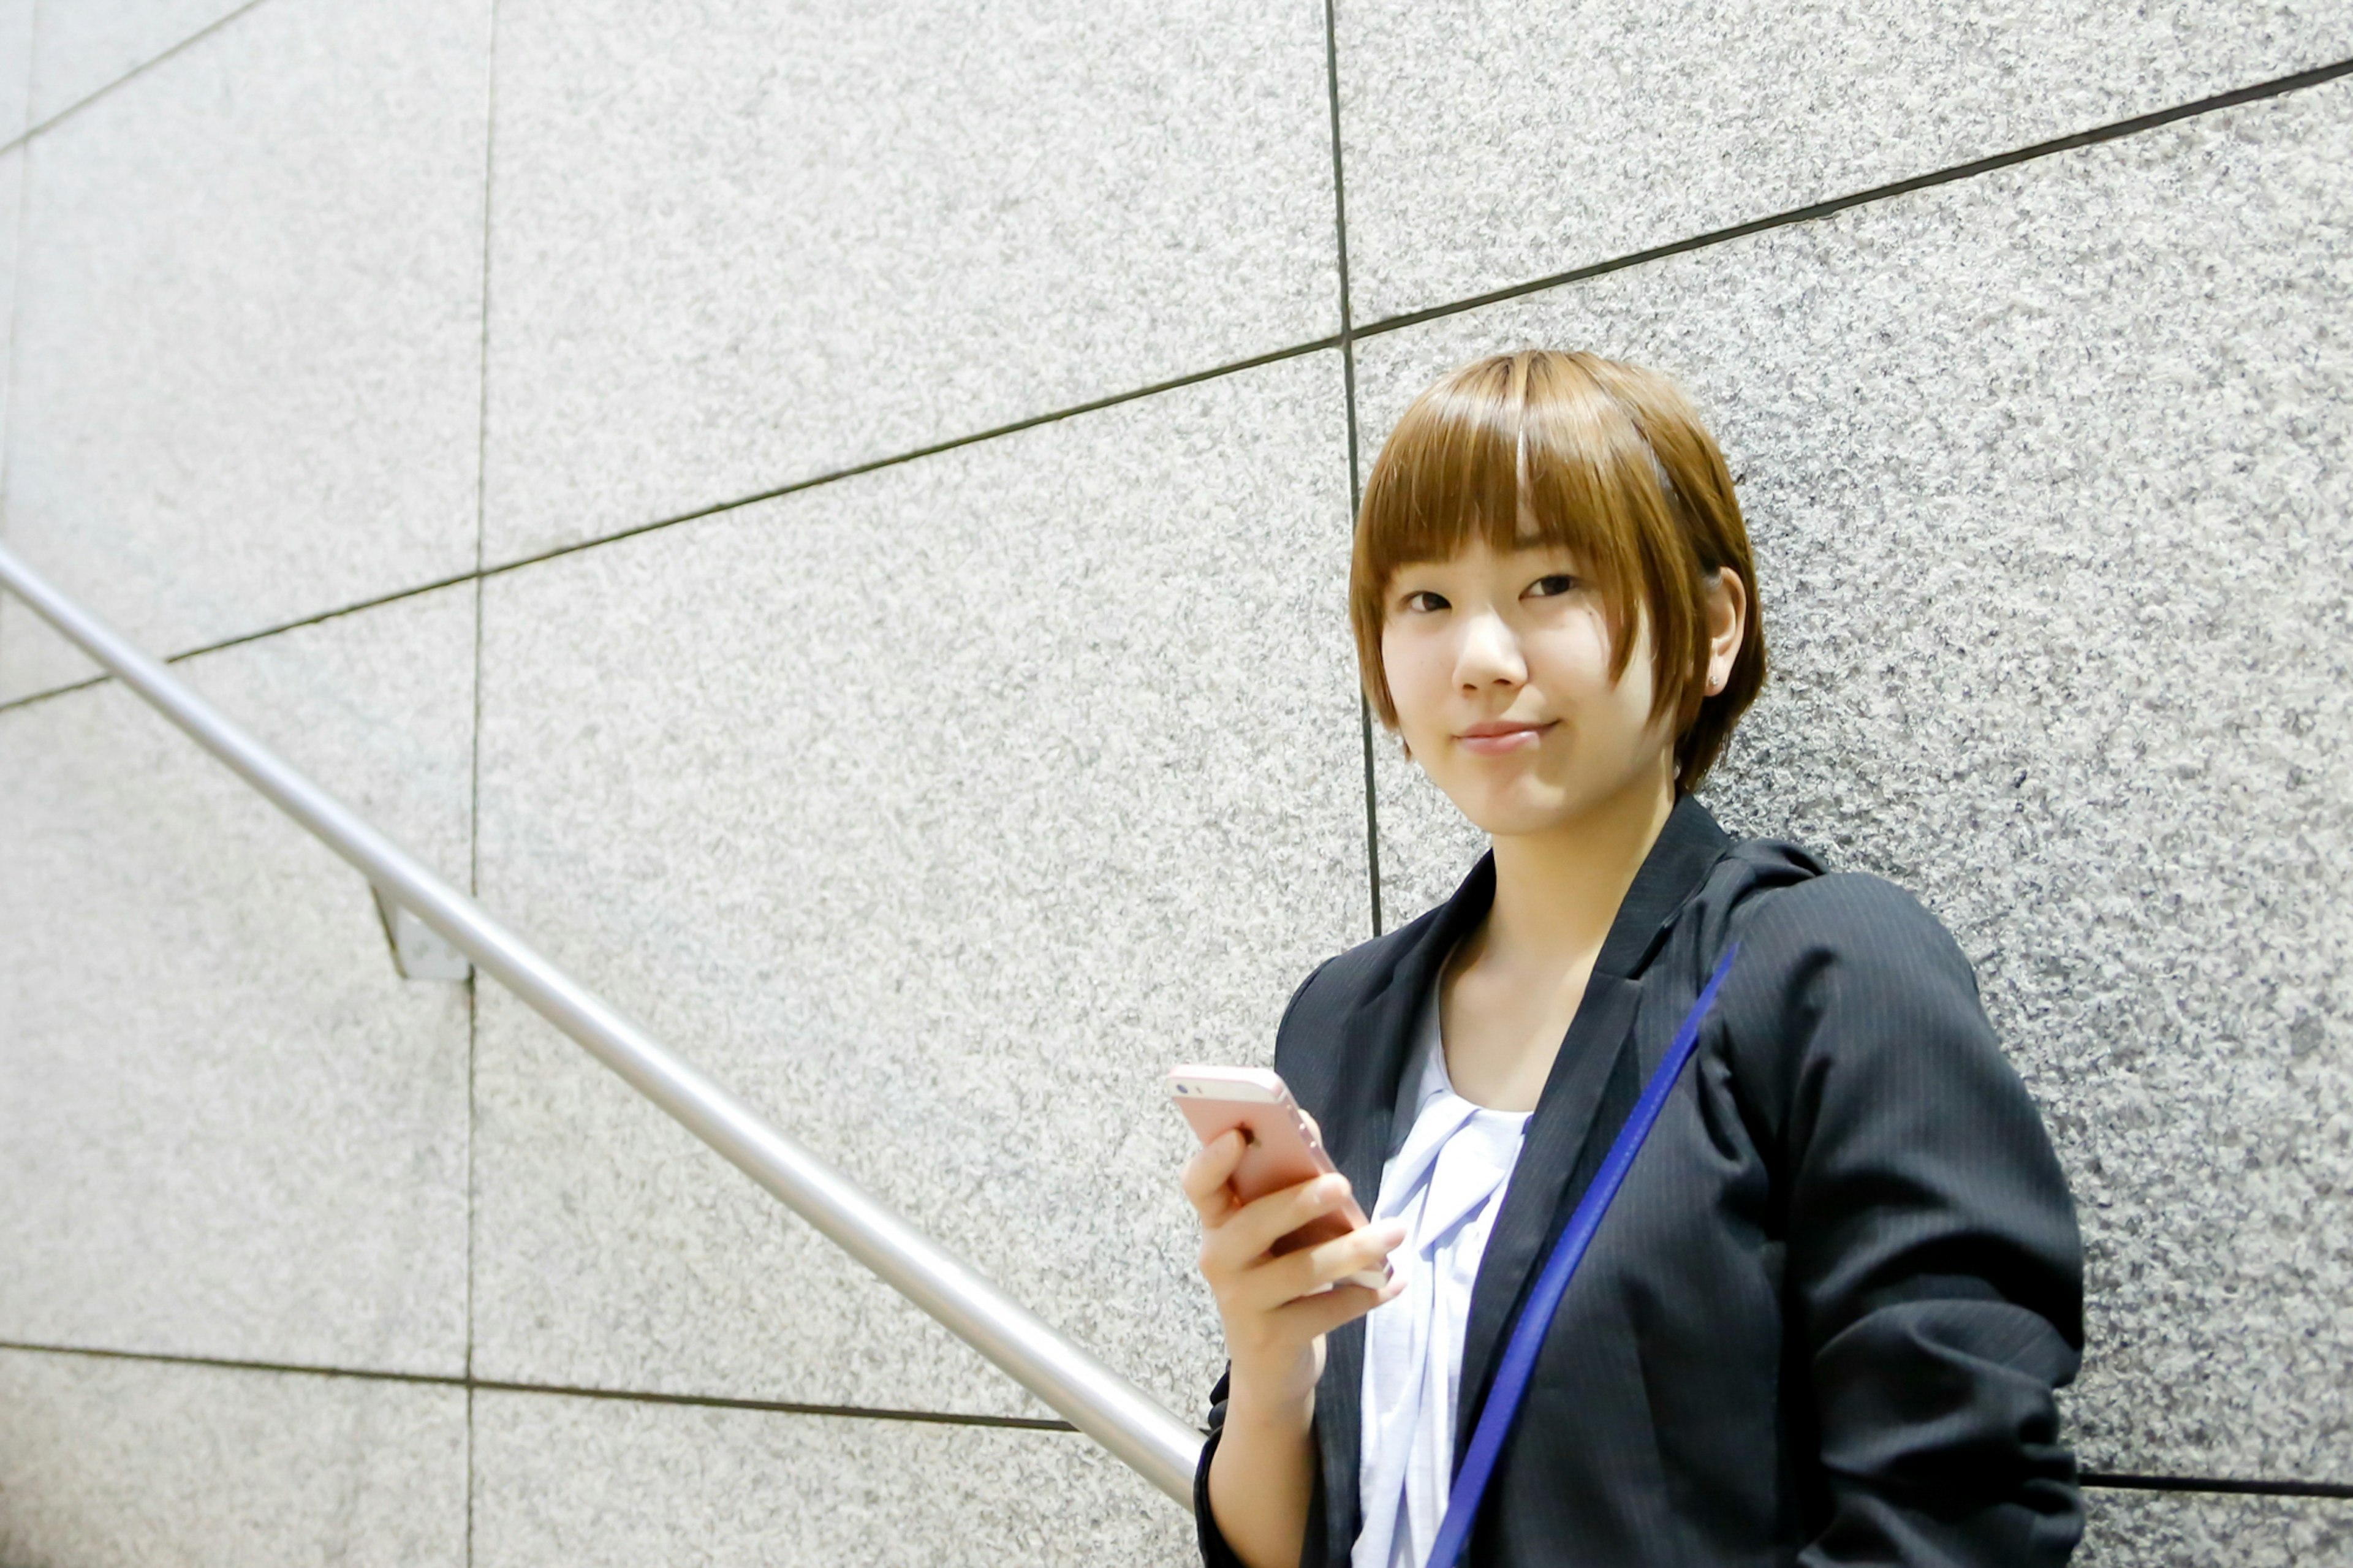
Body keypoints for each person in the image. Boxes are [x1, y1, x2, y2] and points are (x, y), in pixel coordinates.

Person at [1178, 349, 2084, 1568]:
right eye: (1425, 600)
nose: (1480, 657)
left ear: (1712, 627)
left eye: (1551, 581)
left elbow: (1960, 1515)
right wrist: (1272, 1364)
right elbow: (1275, 1543)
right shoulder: (1342, 1018)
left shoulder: (1825, 973)